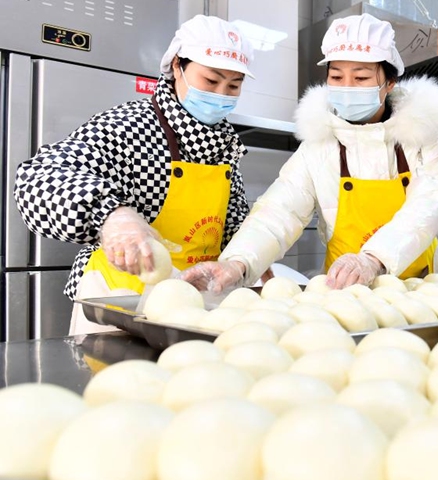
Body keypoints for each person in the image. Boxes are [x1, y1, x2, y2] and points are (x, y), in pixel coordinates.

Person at [14, 15, 256, 333]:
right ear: (176, 68)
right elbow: (38, 177)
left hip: (196, 305)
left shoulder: (225, 146)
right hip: (118, 304)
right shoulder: (129, 126)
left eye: (233, 85)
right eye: (211, 81)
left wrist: (246, 262)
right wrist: (113, 216)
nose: (222, 94)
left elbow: (235, 225)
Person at [181, 13, 438, 293]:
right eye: (336, 76)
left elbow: (427, 207)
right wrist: (236, 262)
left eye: (360, 77)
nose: (347, 87)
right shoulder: (319, 142)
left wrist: (373, 259)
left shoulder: (420, 134)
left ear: (389, 83)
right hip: (342, 292)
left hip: (420, 287)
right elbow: (280, 211)